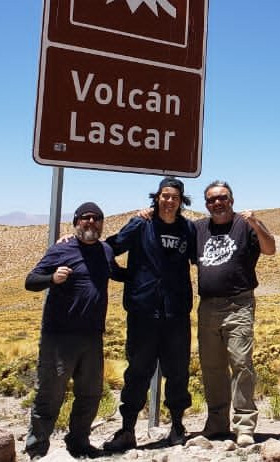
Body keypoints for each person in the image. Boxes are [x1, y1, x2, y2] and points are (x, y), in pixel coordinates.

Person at [103, 177, 197, 452]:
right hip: (143, 313)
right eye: (165, 196)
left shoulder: (187, 229)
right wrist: (125, 276)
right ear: (156, 198)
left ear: (181, 201)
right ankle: (127, 429)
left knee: (178, 372)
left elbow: (199, 258)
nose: (169, 201)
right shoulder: (141, 225)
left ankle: (177, 425)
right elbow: (110, 247)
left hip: (176, 313)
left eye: (175, 197)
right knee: (138, 372)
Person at [24, 202, 114, 459]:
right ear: (76, 222)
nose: (91, 222)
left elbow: (118, 273)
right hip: (59, 337)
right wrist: (52, 279)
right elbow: (30, 281)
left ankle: (78, 442)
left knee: (90, 393)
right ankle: (37, 449)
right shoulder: (61, 250)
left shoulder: (105, 251)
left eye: (96, 218)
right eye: (85, 218)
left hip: (92, 336)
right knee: (50, 394)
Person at [194, 180, 276, 446]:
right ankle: (217, 423)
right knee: (211, 367)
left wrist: (257, 223)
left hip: (238, 305)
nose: (217, 203)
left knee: (241, 364)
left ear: (231, 199)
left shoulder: (244, 225)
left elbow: (270, 248)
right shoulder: (198, 229)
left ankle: (244, 425)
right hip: (207, 306)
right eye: (212, 200)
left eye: (222, 198)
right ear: (206, 204)